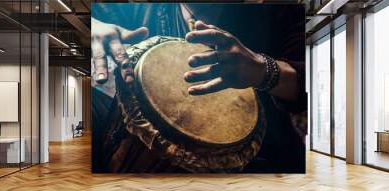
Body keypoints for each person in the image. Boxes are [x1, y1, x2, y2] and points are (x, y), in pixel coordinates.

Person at [91, 3, 306, 173]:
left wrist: (265, 71)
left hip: (259, 157)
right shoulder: (142, 10)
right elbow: (96, 15)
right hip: (132, 146)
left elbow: (311, 83)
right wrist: (94, 27)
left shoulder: (278, 12)